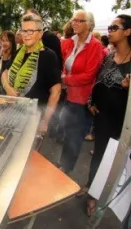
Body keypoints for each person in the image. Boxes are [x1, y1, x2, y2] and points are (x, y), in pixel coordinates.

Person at [85, 14, 131, 216]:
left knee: (118, 163)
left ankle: (112, 198)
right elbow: (98, 82)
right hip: (103, 119)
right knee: (99, 157)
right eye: (109, 27)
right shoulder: (109, 57)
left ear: (128, 31)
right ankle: (92, 193)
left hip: (124, 123)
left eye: (114, 27)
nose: (109, 31)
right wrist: (91, 102)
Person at [58, 10, 104, 173]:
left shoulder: (95, 46)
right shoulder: (71, 41)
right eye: (73, 20)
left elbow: (89, 76)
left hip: (83, 100)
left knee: (74, 138)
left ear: (89, 25)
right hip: (69, 96)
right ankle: (63, 164)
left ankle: (66, 169)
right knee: (67, 133)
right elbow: (66, 64)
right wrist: (64, 74)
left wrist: (65, 80)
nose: (74, 23)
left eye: (79, 20)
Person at [1, 15, 61, 134]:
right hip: (12, 113)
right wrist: (8, 89)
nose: (26, 34)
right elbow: (4, 73)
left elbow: (56, 91)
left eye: (31, 31)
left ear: (40, 34)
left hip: (33, 118)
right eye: (23, 30)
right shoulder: (19, 52)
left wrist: (45, 121)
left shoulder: (49, 56)